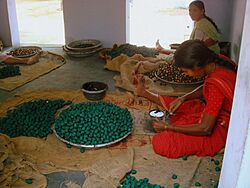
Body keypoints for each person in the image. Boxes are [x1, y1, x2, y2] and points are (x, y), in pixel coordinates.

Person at [134, 40, 237, 158]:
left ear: (197, 66)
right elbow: (208, 87)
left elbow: (205, 128)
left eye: (186, 71)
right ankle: (144, 92)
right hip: (215, 110)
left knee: (162, 142)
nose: (186, 74)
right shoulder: (216, 60)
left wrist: (168, 127)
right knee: (181, 104)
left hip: (222, 124)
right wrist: (183, 97)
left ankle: (173, 125)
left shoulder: (215, 85)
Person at [156, 0, 221, 54]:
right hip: (212, 52)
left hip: (208, 54)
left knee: (180, 54)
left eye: (195, 10)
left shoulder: (201, 23)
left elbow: (196, 45)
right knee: (182, 48)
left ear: (202, 11)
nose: (191, 13)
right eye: (190, 10)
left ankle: (161, 50)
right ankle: (161, 49)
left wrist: (184, 48)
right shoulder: (204, 21)